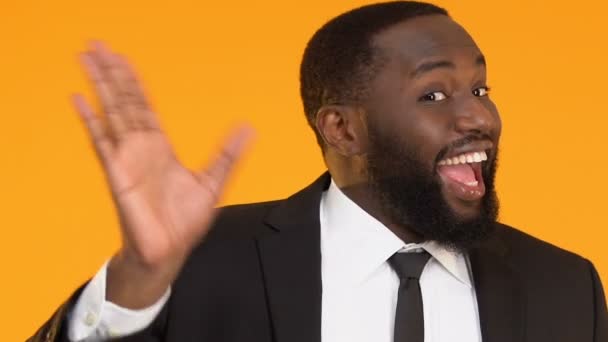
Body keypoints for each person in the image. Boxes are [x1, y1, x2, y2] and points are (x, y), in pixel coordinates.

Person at [29, 1, 607, 342]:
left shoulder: (565, 287)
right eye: (434, 95)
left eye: (480, 89)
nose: (480, 115)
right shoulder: (201, 261)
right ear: (342, 129)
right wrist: (136, 278)